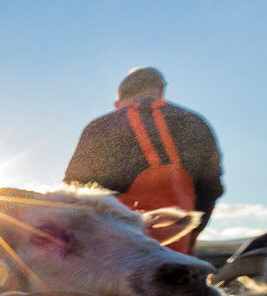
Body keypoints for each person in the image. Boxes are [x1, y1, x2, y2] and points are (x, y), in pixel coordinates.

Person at [64, 67, 222, 254]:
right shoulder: (196, 123)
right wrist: (190, 235)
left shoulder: (100, 127)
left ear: (121, 98)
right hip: (178, 243)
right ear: (160, 89)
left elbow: (73, 190)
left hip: (115, 249)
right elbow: (212, 189)